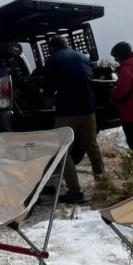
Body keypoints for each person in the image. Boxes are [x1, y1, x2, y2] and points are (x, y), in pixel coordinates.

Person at [43, 35, 106, 202]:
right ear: (66, 43)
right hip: (88, 110)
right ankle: (104, 185)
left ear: (51, 47)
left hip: (66, 112)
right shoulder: (82, 56)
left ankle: (75, 192)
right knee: (92, 146)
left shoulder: (53, 59)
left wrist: (47, 97)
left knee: (63, 151)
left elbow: (48, 89)